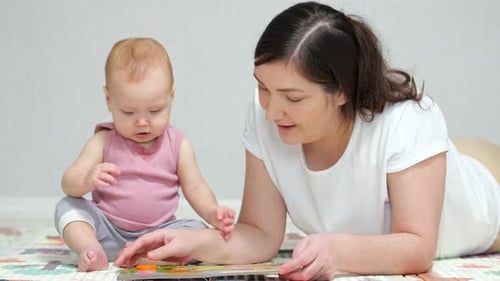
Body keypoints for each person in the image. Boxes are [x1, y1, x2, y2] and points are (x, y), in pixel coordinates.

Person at [114, 2, 500, 279]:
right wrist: (193, 243)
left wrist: (339, 251)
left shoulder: (408, 123)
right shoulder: (267, 114)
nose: (270, 111)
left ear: (341, 92)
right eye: (262, 88)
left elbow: (418, 248)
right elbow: (260, 234)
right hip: (437, 163)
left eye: (293, 98)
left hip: (485, 200)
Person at [54, 37, 235, 272]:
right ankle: (91, 249)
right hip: (106, 230)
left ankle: (148, 256)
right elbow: (69, 182)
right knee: (67, 206)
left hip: (159, 233)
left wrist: (213, 212)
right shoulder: (103, 141)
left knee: (198, 231)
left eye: (155, 110)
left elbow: (196, 187)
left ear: (171, 97)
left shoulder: (178, 145)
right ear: (109, 100)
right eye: (128, 112)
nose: (142, 122)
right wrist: (87, 178)